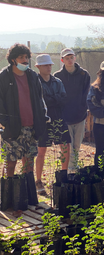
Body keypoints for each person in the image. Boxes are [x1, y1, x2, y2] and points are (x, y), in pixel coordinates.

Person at [0, 43, 47, 205]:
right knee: (11, 163)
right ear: (13, 59)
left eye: (27, 57)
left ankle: (27, 198)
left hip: (31, 128)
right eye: (21, 57)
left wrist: (43, 117)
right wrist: (4, 123)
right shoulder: (4, 77)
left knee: (28, 164)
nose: (25, 60)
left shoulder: (33, 76)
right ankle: (10, 199)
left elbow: (40, 99)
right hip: (12, 129)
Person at [34, 54, 70, 195]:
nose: (48, 67)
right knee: (41, 151)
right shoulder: (35, 83)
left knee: (65, 147)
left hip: (59, 118)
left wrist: (51, 99)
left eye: (50, 65)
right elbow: (40, 101)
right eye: (45, 65)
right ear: (38, 67)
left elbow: (64, 99)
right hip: (43, 120)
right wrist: (54, 99)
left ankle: (63, 175)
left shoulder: (58, 81)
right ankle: (38, 180)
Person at [54, 48, 90, 173]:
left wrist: (82, 110)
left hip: (80, 116)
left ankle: (73, 168)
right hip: (64, 117)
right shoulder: (57, 76)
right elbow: (56, 96)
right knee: (67, 146)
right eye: (66, 58)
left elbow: (86, 94)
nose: (69, 60)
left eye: (71, 57)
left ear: (75, 58)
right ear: (62, 60)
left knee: (76, 145)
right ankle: (70, 170)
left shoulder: (84, 74)